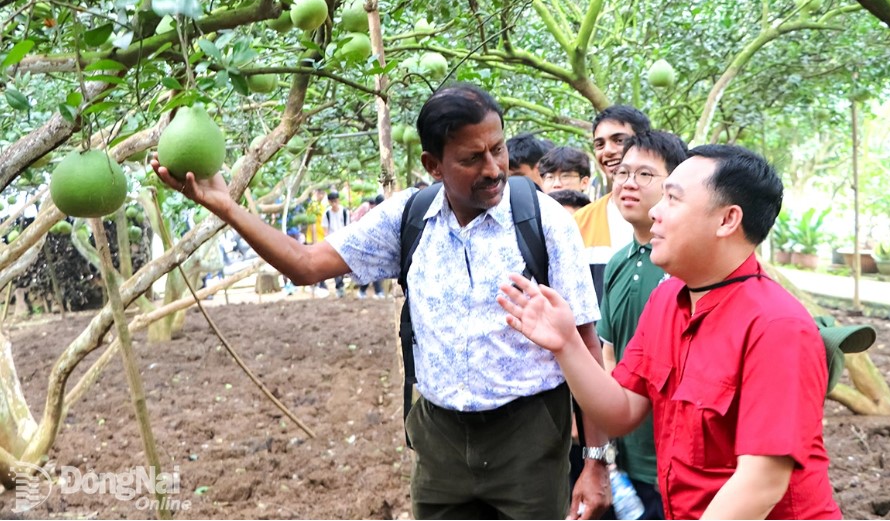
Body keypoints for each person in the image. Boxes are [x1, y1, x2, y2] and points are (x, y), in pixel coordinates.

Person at [152, 83, 611, 520]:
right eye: (472, 158)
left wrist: (594, 463)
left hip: (529, 437)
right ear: (434, 165)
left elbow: (587, 345)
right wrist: (225, 206)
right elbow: (305, 265)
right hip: (441, 442)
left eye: (498, 149)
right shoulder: (408, 218)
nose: (493, 169)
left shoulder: (544, 222)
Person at [499, 144, 843, 520]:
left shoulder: (778, 327)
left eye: (673, 200)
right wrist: (566, 344)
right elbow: (621, 412)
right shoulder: (668, 300)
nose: (654, 212)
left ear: (727, 220)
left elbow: (760, 482)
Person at [596, 130, 688, 519]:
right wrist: (600, 451)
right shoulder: (618, 263)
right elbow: (609, 358)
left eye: (645, 175)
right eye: (622, 174)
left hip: (681, 466)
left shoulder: (689, 267)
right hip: (628, 462)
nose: (628, 183)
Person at [573, 105, 651, 300]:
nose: (608, 151)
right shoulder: (579, 222)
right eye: (599, 144)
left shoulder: (676, 216)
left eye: (619, 140)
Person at [355, 194, 385, 298]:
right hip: (369, 245)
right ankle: (368, 291)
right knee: (371, 269)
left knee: (375, 269)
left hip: (378, 246)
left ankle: (377, 291)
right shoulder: (371, 214)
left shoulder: (382, 213)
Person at [321, 192, 349, 298]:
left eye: (335, 201)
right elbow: (325, 230)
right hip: (333, 243)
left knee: (343, 265)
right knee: (335, 265)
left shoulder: (344, 212)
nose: (334, 204)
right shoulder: (327, 214)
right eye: (331, 202)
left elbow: (348, 226)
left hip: (343, 241)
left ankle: (340, 285)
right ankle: (339, 287)